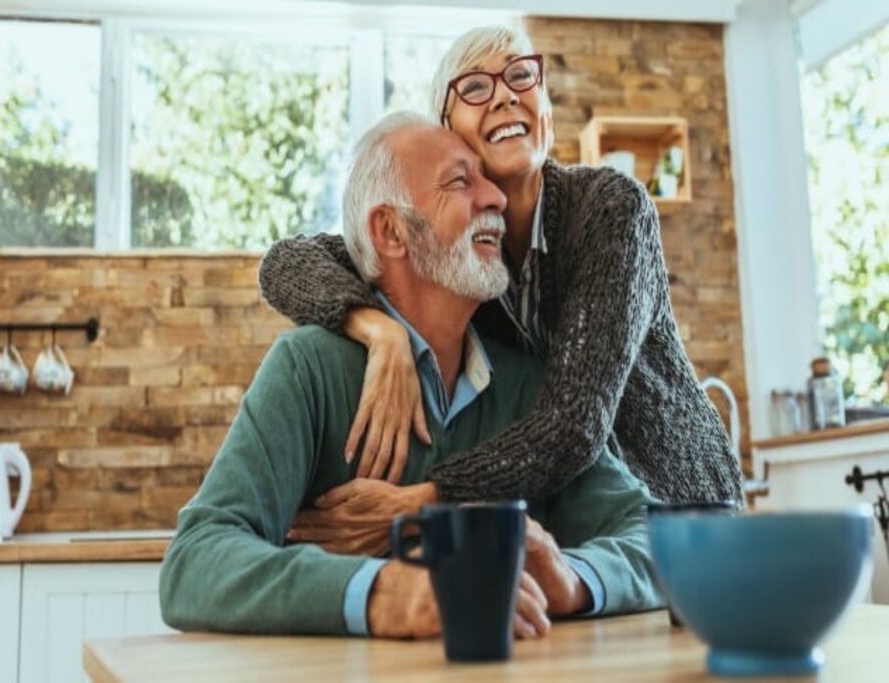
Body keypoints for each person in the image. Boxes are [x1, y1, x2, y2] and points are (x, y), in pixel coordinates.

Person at [159, 113, 663, 638]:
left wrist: (573, 579)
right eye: (461, 181)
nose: (496, 199)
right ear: (391, 231)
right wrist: (384, 592)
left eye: (487, 181)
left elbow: (656, 536)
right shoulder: (307, 370)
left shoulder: (529, 386)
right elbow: (194, 562)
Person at [257, 26, 742, 552]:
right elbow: (287, 262)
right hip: (575, 533)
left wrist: (425, 499)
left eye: (519, 76)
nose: (506, 94)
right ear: (448, 133)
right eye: (475, 88)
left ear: (547, 117)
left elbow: (575, 423)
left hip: (678, 512)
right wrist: (378, 331)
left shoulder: (610, 209)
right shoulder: (457, 257)